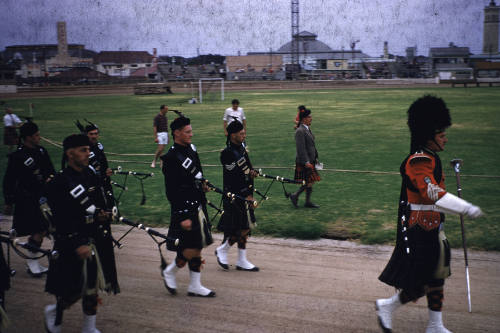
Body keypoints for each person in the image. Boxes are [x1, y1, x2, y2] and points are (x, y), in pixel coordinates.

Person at [376, 95, 483, 333]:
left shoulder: (431, 158)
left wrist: (453, 207)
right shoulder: (418, 161)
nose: (445, 138)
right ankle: (387, 306)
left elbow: (437, 198)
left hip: (435, 226)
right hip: (419, 229)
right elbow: (432, 193)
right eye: (441, 134)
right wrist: (464, 207)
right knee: (422, 281)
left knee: (437, 277)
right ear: (428, 136)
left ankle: (435, 325)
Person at [44, 134, 119, 333]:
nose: (88, 154)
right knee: (73, 288)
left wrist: (104, 214)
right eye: (83, 150)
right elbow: (59, 220)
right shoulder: (59, 182)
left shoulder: (91, 174)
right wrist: (77, 242)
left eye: (88, 149)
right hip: (72, 242)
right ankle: (55, 311)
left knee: (92, 287)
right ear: (70, 153)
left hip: (95, 238)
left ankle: (89, 328)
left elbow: (99, 203)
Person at [160, 116, 215, 297]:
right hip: (184, 209)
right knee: (191, 248)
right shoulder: (170, 158)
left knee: (198, 245)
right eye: (187, 131)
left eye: (191, 131)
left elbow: (198, 174)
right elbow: (171, 191)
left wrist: (203, 185)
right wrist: (182, 215)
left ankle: (194, 285)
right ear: (177, 133)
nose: (191, 134)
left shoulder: (192, 149)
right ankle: (171, 271)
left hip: (197, 204)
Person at [2, 122, 55, 277]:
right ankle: (32, 263)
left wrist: (51, 180)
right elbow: (9, 180)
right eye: (37, 135)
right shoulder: (18, 156)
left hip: (43, 198)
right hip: (27, 200)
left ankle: (33, 262)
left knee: (45, 229)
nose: (39, 137)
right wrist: (9, 201)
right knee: (38, 230)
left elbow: (50, 171)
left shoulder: (41, 151)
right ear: (28, 138)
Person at [215, 120, 259, 272]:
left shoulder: (241, 147)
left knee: (245, 227)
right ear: (233, 135)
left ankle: (241, 260)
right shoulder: (227, 153)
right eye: (241, 134)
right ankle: (223, 249)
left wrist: (252, 172)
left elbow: (247, 168)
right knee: (240, 228)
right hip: (234, 195)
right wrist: (246, 194)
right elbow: (234, 177)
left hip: (245, 193)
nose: (244, 135)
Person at [289, 108, 321, 208]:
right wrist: (306, 161)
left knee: (310, 181)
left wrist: (315, 157)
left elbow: (311, 145)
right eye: (309, 117)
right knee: (309, 181)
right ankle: (296, 196)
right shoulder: (300, 131)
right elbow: (301, 148)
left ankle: (304, 200)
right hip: (304, 161)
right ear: (303, 119)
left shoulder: (306, 129)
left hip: (310, 159)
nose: (311, 118)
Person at [84, 123, 114, 209]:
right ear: (86, 134)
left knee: (109, 202)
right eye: (91, 134)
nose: (94, 136)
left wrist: (107, 170)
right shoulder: (83, 149)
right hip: (90, 181)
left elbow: (104, 161)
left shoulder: (99, 146)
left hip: (103, 178)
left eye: (96, 134)